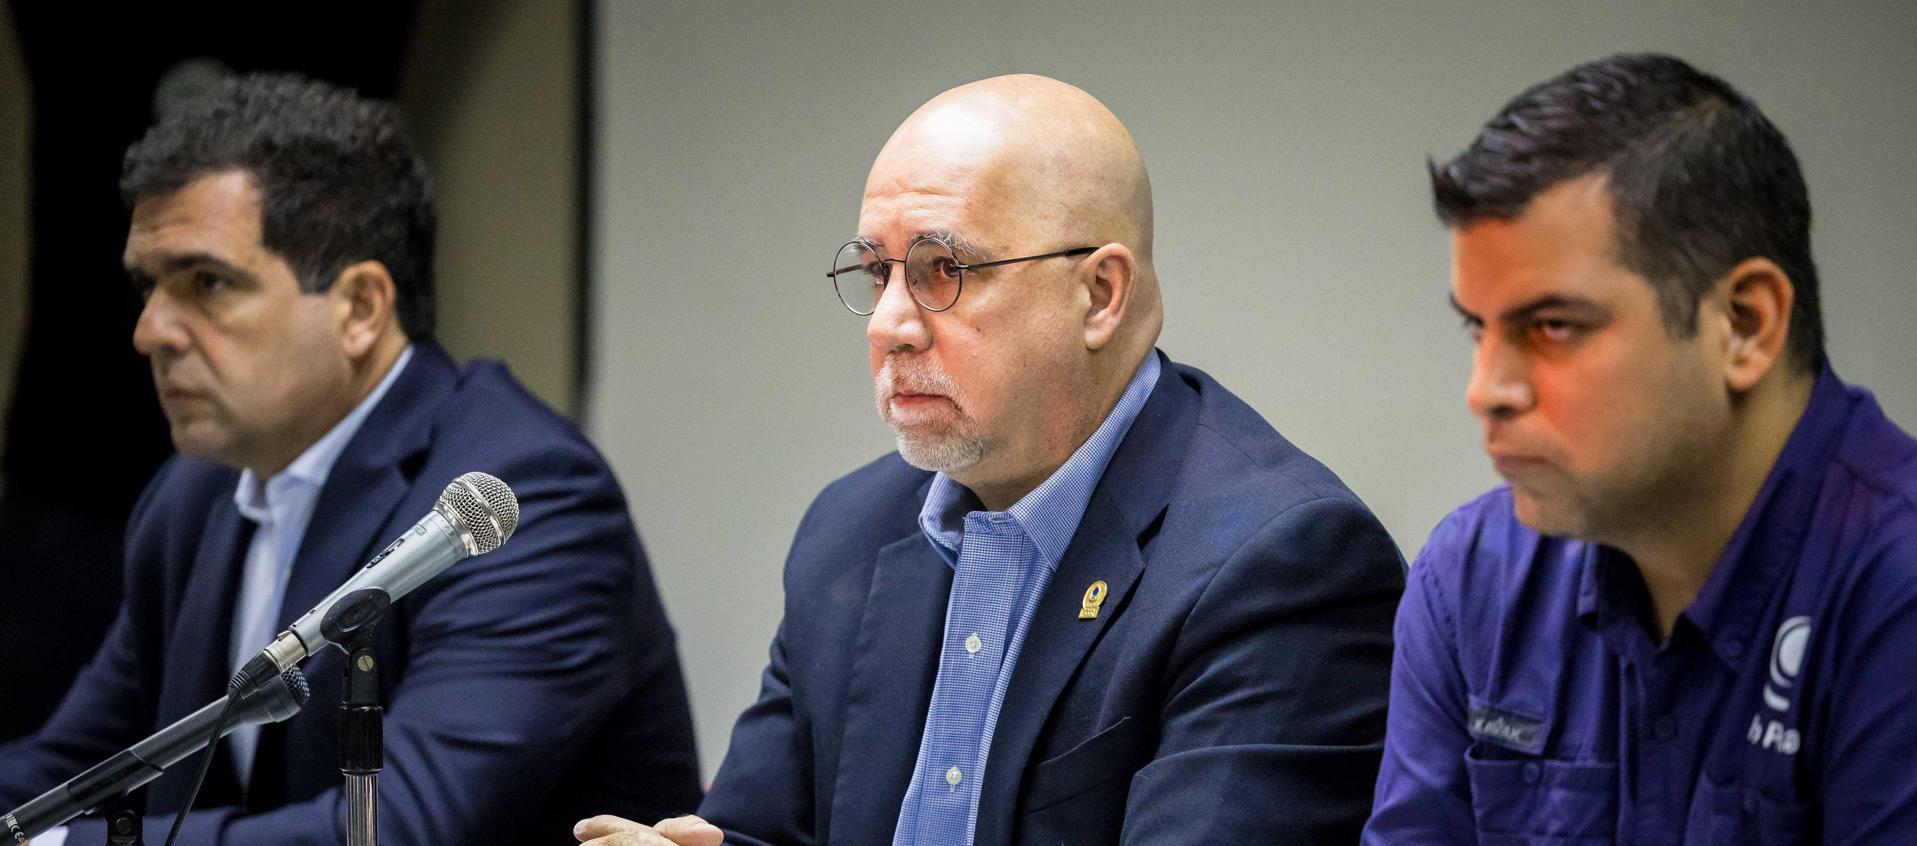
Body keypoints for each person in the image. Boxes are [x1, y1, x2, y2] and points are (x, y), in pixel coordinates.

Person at [575, 74, 1405, 846]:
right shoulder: (850, 533)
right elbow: (763, 829)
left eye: (946, 270)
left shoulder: (1279, 565)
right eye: (876, 272)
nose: (888, 323)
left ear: (1099, 296)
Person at [0, 73, 703, 845]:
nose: (150, 332)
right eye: (148, 287)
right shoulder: (195, 493)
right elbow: (73, 767)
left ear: (361, 308)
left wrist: (64, 844)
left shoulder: (519, 499)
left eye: (206, 283)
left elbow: (398, 829)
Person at [1364, 53, 1917, 844]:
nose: (1483, 390)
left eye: (1551, 327)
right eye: (1476, 329)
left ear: (1745, 325)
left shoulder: (1892, 589)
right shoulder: (1469, 578)